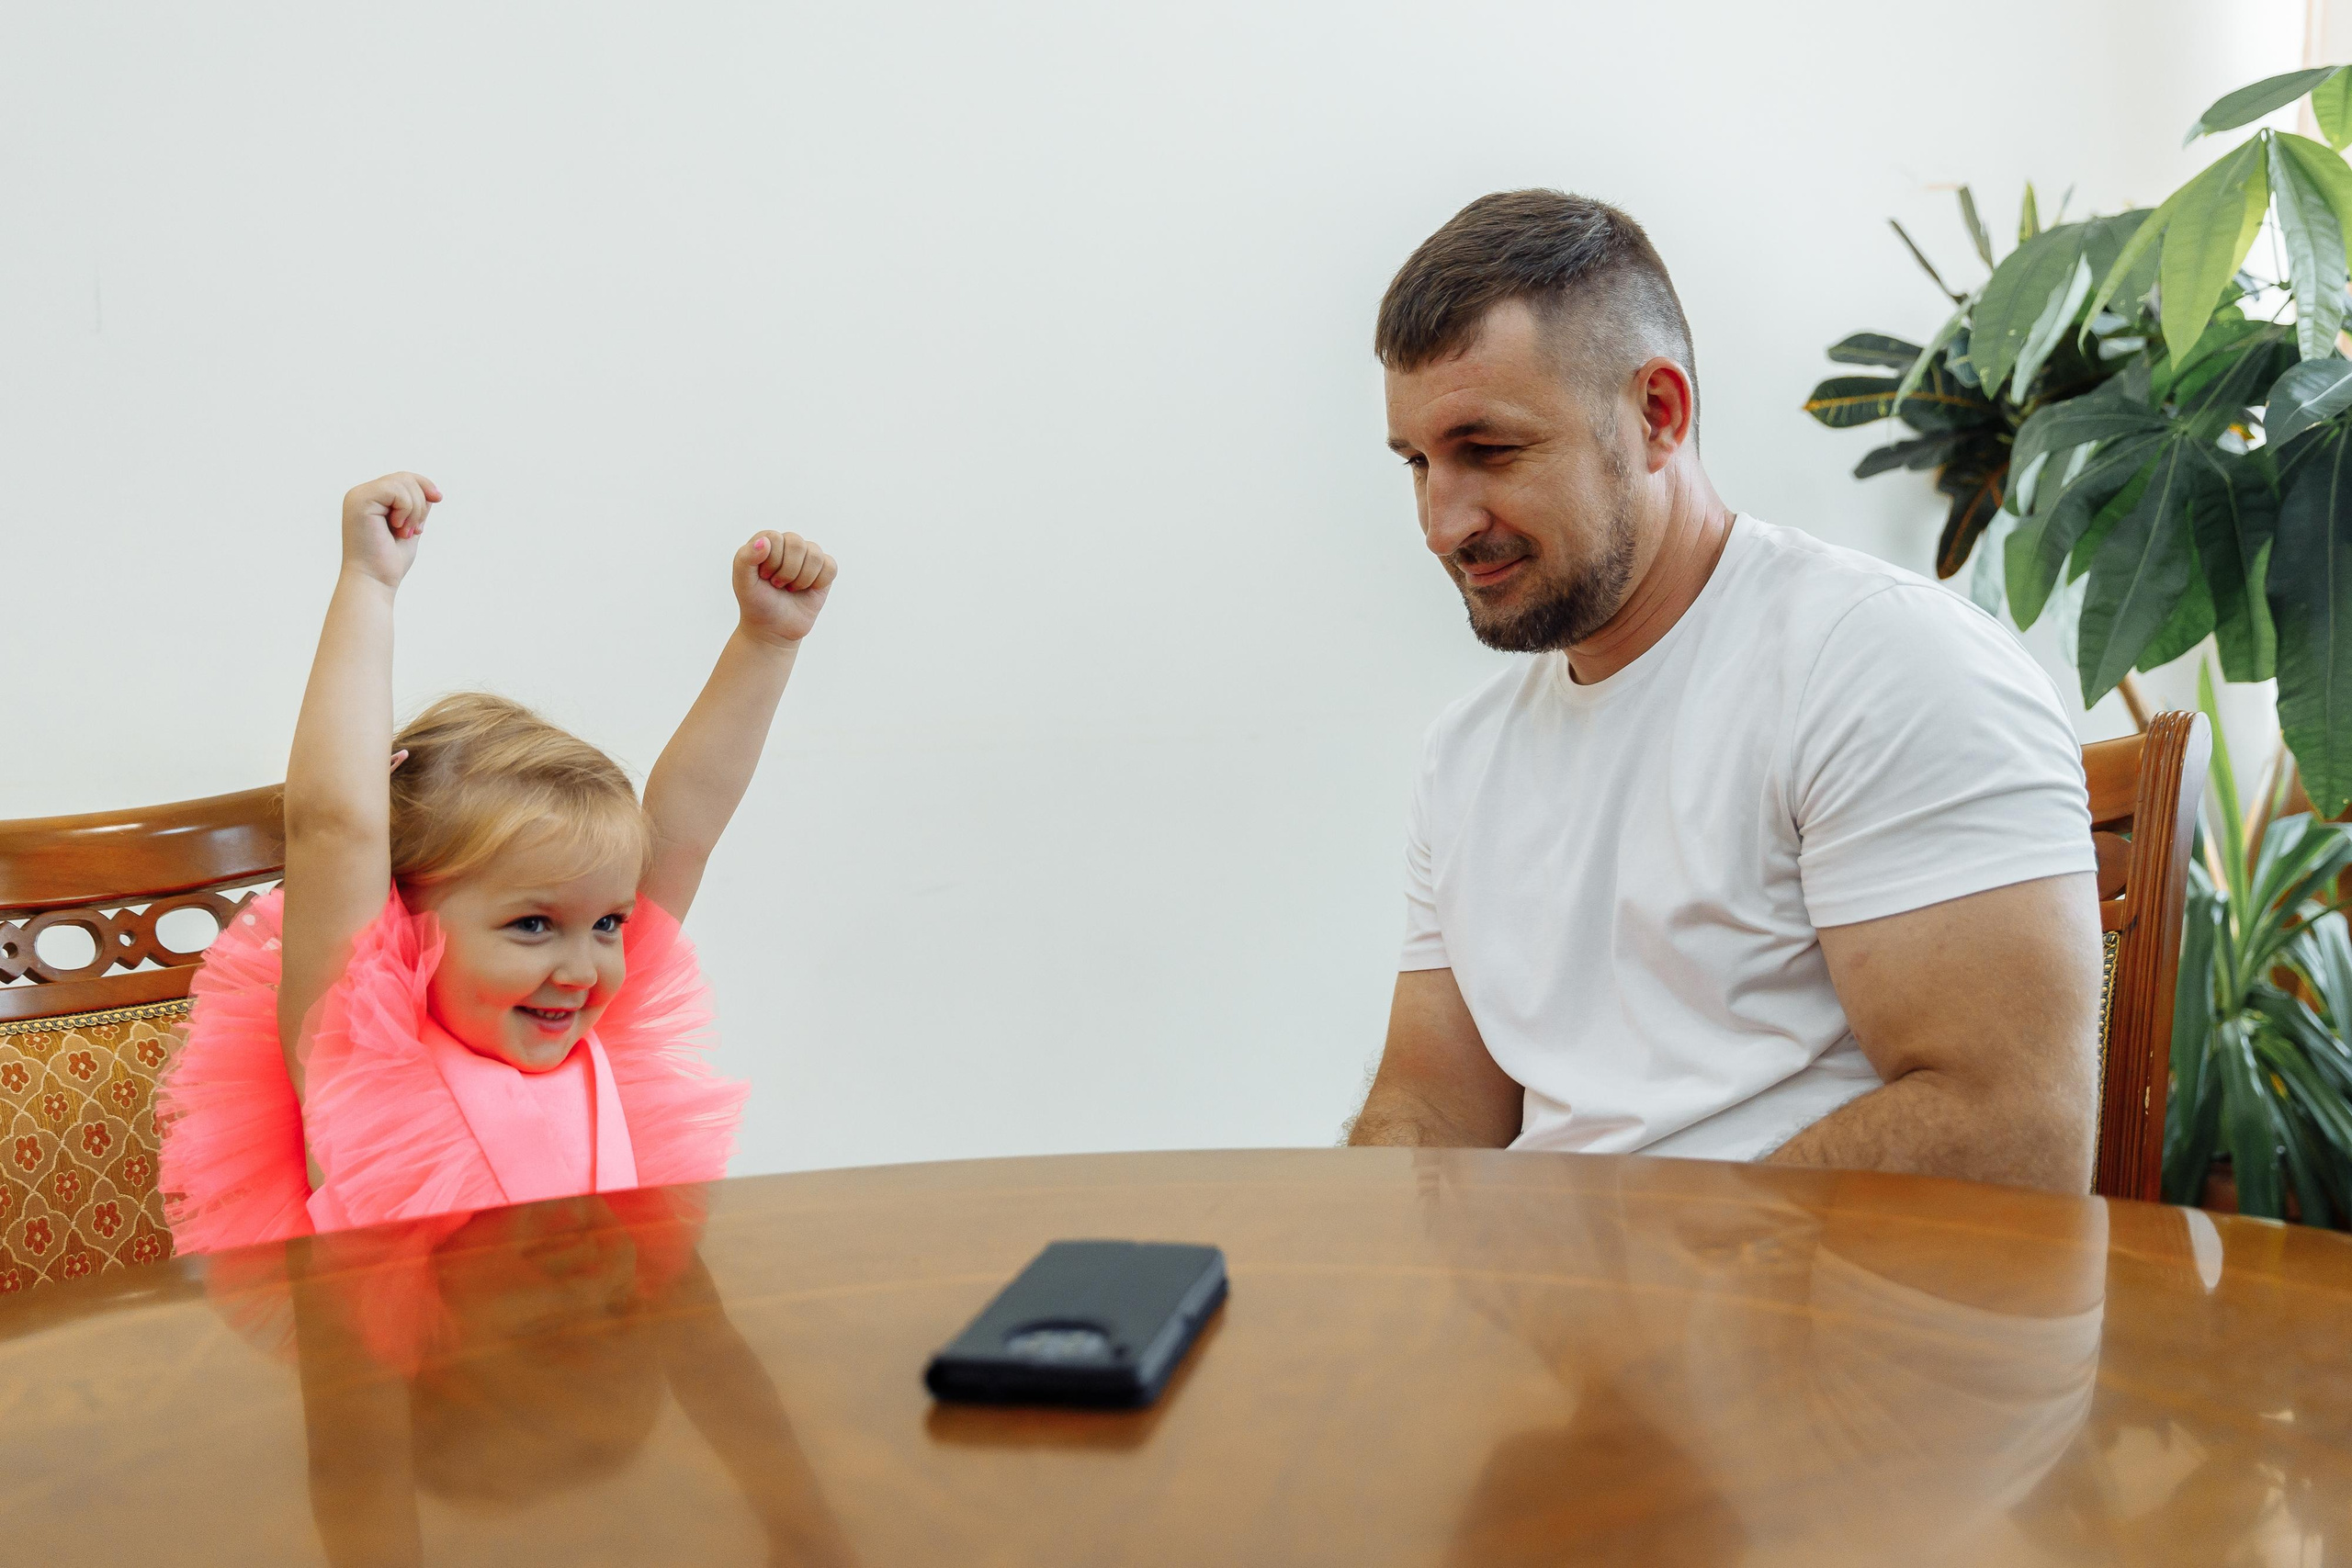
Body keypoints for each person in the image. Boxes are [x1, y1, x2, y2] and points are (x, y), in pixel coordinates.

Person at [1347, 191, 2103, 1193]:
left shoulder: (1878, 666)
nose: (1442, 524)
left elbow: (2010, 1127)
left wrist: (1638, 1291)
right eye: (1416, 463)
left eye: (1488, 452)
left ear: (1658, 414)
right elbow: (1432, 1105)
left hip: (1811, 1324)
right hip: (1548, 1317)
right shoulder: (1467, 752)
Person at [158, 473, 838, 1249]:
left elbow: (683, 830)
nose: (583, 967)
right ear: (405, 923)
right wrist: (368, 582)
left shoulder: (595, 1035)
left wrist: (767, 642)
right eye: (534, 924)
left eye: (608, 921)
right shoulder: (363, 1069)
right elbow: (331, 827)